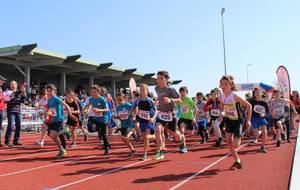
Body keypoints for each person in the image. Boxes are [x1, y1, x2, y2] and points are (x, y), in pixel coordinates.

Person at [219, 76, 252, 170]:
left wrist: (248, 120)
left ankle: (242, 133)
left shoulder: (234, 96)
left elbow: (249, 106)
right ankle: (238, 161)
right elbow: (223, 109)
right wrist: (222, 113)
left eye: (226, 84)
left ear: (230, 85)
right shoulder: (221, 98)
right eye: (222, 84)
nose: (223, 86)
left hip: (238, 121)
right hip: (229, 120)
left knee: (235, 145)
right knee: (228, 142)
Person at [154, 71, 186, 160]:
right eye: (158, 78)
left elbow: (180, 101)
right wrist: (158, 102)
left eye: (161, 78)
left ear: (166, 79)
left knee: (173, 133)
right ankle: (160, 151)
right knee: (157, 129)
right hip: (161, 114)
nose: (159, 80)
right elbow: (160, 99)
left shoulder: (171, 89)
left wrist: (170, 100)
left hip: (171, 114)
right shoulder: (156, 88)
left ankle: (181, 140)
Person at [46, 84, 77, 158]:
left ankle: (65, 131)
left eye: (50, 91)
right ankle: (61, 149)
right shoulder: (49, 99)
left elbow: (66, 105)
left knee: (53, 135)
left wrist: (70, 115)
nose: (49, 92)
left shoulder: (56, 98)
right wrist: (47, 113)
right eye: (48, 91)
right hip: (53, 120)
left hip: (59, 119)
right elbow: (51, 109)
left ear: (54, 91)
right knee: (51, 135)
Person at [132, 84, 157, 161]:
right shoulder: (138, 100)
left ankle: (144, 154)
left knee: (146, 137)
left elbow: (156, 110)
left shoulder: (150, 100)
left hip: (149, 120)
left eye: (143, 90)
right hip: (142, 120)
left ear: (147, 91)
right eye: (140, 90)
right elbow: (133, 108)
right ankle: (154, 137)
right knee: (144, 138)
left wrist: (153, 118)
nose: (142, 92)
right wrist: (132, 115)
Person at [85, 85, 111, 155]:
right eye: (91, 92)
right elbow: (88, 105)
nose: (92, 93)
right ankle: (98, 129)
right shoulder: (91, 99)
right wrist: (85, 109)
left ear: (98, 92)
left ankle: (107, 148)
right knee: (90, 129)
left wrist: (98, 109)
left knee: (103, 135)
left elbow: (107, 109)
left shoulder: (102, 99)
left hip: (103, 119)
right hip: (96, 118)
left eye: (94, 92)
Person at [4, 81, 27, 146]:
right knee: (10, 126)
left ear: (16, 85)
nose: (12, 85)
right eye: (11, 84)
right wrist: (16, 92)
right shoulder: (7, 92)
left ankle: (16, 141)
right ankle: (7, 141)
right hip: (10, 111)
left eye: (13, 84)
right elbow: (6, 100)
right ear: (10, 86)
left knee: (18, 126)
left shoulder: (20, 92)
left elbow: (23, 101)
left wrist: (24, 93)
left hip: (18, 111)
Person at [249, 87, 269, 153]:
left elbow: (268, 113)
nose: (257, 93)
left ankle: (263, 147)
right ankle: (259, 133)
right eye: (255, 92)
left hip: (262, 118)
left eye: (258, 92)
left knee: (265, 131)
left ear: (261, 93)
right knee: (256, 135)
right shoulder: (251, 102)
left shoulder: (264, 103)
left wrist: (264, 115)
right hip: (254, 118)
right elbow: (248, 109)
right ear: (254, 94)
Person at [0, 75, 7, 146]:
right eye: (2, 80)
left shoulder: (1, 89)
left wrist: (5, 101)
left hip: (1, 109)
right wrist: (4, 97)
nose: (3, 82)